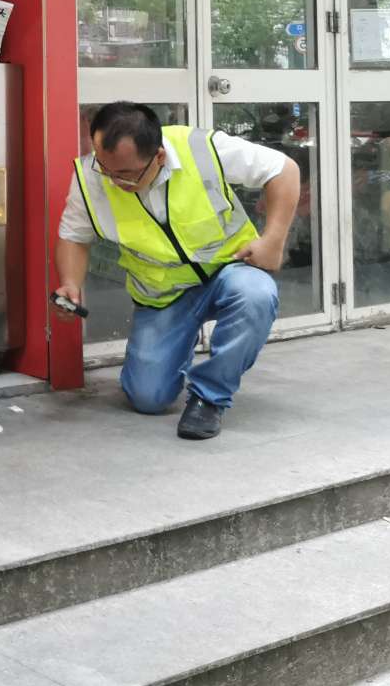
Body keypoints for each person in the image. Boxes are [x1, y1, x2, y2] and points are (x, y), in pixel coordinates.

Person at [54, 102, 301, 441]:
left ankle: (209, 397)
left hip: (229, 272)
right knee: (148, 398)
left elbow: (284, 170)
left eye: (125, 173)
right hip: (163, 296)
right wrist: (70, 284)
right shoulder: (89, 177)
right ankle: (177, 345)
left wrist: (273, 240)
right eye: (104, 167)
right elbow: (74, 236)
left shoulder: (200, 149)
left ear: (158, 156)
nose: (113, 180)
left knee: (256, 295)